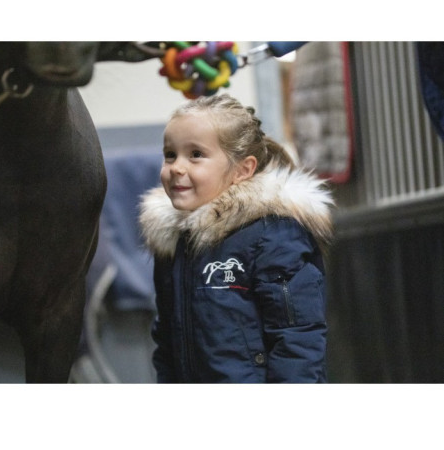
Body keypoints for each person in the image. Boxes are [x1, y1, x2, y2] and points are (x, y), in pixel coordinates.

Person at [139, 94, 334, 383]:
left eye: (195, 155)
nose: (177, 167)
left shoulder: (273, 236)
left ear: (243, 170)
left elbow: (297, 337)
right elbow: (166, 337)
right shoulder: (175, 242)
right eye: (170, 154)